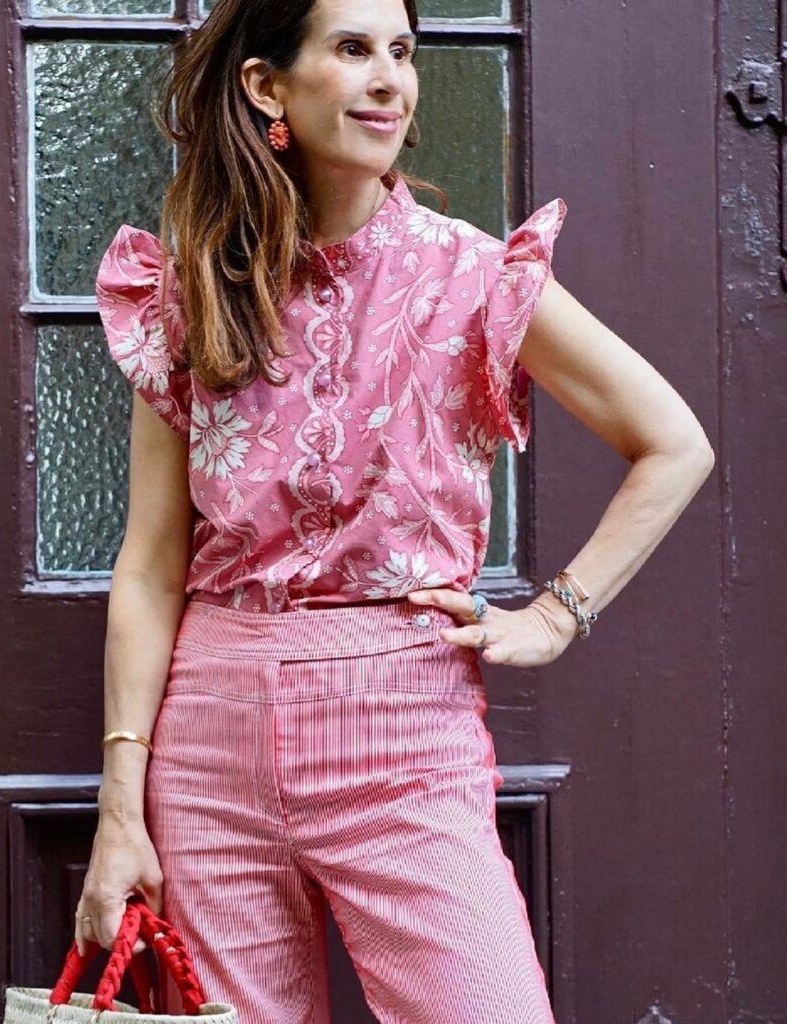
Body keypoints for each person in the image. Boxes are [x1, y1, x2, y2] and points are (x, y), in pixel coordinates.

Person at [74, 0, 715, 1020]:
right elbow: (150, 562)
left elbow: (673, 443)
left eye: (402, 52)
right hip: (209, 738)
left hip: (402, 722)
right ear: (266, 86)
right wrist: (120, 807)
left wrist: (555, 614)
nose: (388, 78)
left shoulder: (471, 275)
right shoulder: (197, 288)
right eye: (353, 49)